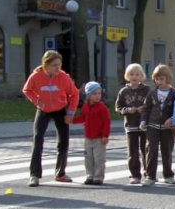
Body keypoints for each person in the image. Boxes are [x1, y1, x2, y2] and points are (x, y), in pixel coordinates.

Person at [23, 51, 79, 187]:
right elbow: (27, 90)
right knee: (37, 139)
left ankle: (60, 173)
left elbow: (74, 94)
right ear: (45, 64)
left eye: (59, 64)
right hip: (43, 110)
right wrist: (36, 100)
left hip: (60, 110)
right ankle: (34, 175)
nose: (58, 68)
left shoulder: (63, 77)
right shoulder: (36, 77)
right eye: (54, 65)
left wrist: (70, 112)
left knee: (63, 141)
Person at [139, 64, 175, 186]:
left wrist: (173, 120)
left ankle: (168, 175)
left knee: (167, 151)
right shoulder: (152, 93)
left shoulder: (174, 93)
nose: (159, 81)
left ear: (168, 79)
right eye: (157, 79)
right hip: (152, 125)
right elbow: (146, 108)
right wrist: (143, 120)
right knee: (151, 150)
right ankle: (150, 176)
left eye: (162, 79)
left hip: (167, 127)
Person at [115, 64, 150, 185]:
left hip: (144, 124)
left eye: (137, 74)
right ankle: (135, 174)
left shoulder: (146, 90)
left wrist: (144, 108)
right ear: (127, 76)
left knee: (146, 149)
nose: (134, 77)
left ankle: (148, 173)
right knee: (132, 151)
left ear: (141, 76)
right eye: (131, 74)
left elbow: (152, 104)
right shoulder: (123, 91)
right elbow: (118, 107)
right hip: (130, 125)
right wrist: (127, 110)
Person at [72, 82, 111, 185]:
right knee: (88, 158)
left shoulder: (102, 108)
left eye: (99, 93)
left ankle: (98, 177)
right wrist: (72, 120)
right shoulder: (85, 107)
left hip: (99, 138)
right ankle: (89, 175)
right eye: (94, 94)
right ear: (88, 95)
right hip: (88, 137)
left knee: (99, 159)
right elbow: (83, 118)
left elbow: (106, 123)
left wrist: (105, 135)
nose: (97, 96)